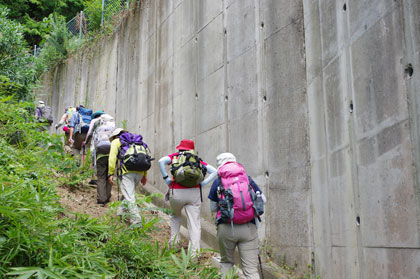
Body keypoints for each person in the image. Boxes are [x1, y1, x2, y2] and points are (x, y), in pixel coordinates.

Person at [208, 152, 266, 279]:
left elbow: (212, 208)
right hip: (248, 227)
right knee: (250, 270)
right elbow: (263, 200)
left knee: (227, 263)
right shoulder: (247, 179)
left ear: (219, 165)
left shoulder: (218, 181)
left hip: (226, 227)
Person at [158, 139, 217, 256]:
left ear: (180, 148)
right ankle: (194, 254)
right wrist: (204, 184)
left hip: (177, 192)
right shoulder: (197, 161)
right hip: (194, 193)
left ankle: (174, 244)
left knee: (175, 216)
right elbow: (215, 171)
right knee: (194, 223)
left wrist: (166, 179)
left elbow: (161, 161)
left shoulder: (175, 157)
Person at [108, 128, 148, 225]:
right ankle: (120, 213)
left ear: (114, 136)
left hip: (126, 172)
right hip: (140, 171)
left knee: (129, 196)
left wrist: (111, 173)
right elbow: (146, 157)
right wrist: (144, 175)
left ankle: (136, 222)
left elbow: (112, 157)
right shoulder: (138, 142)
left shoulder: (116, 141)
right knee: (128, 193)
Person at [83, 111, 115, 205]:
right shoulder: (113, 129)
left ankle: (101, 199)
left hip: (100, 155)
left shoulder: (98, 129)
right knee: (109, 175)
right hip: (111, 156)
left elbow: (94, 143)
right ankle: (107, 197)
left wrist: (94, 158)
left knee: (100, 177)